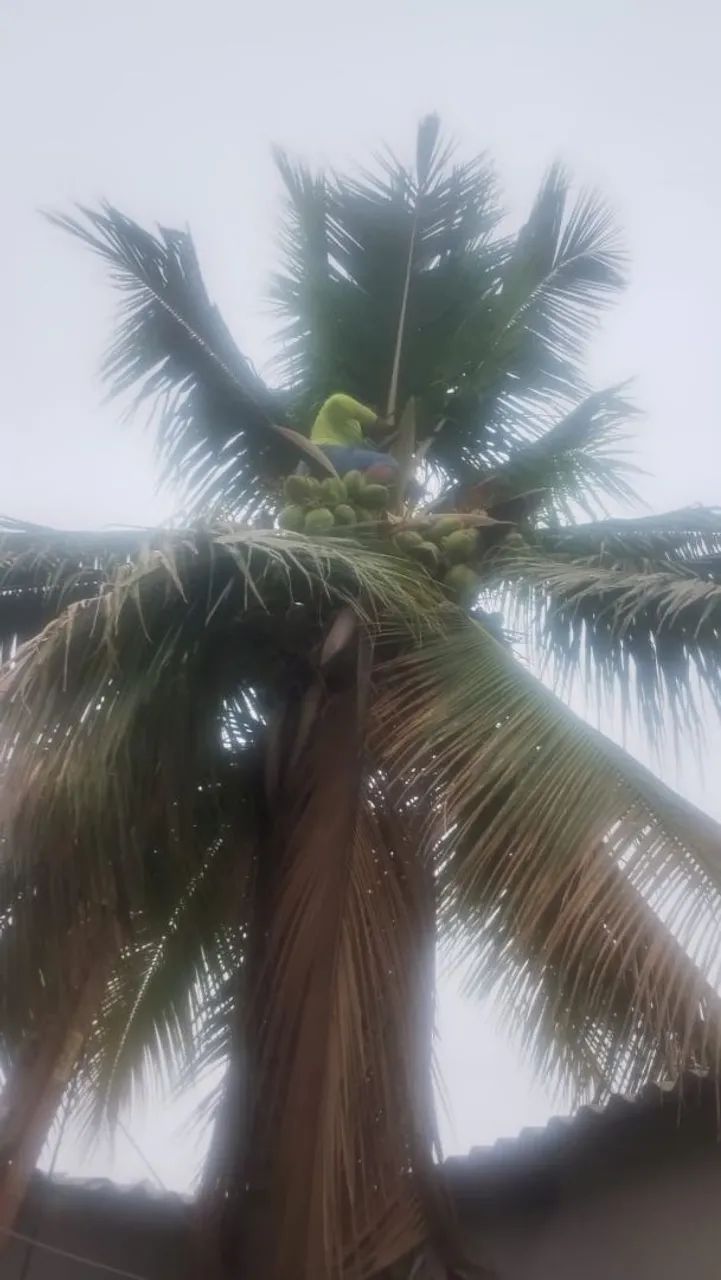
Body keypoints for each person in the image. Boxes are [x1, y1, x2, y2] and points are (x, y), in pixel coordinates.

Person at [310, 393, 398, 483]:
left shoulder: (354, 427)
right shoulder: (339, 400)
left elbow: (363, 453)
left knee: (370, 457)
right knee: (387, 461)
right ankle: (360, 491)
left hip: (319, 460)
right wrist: (395, 427)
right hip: (326, 451)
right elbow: (378, 424)